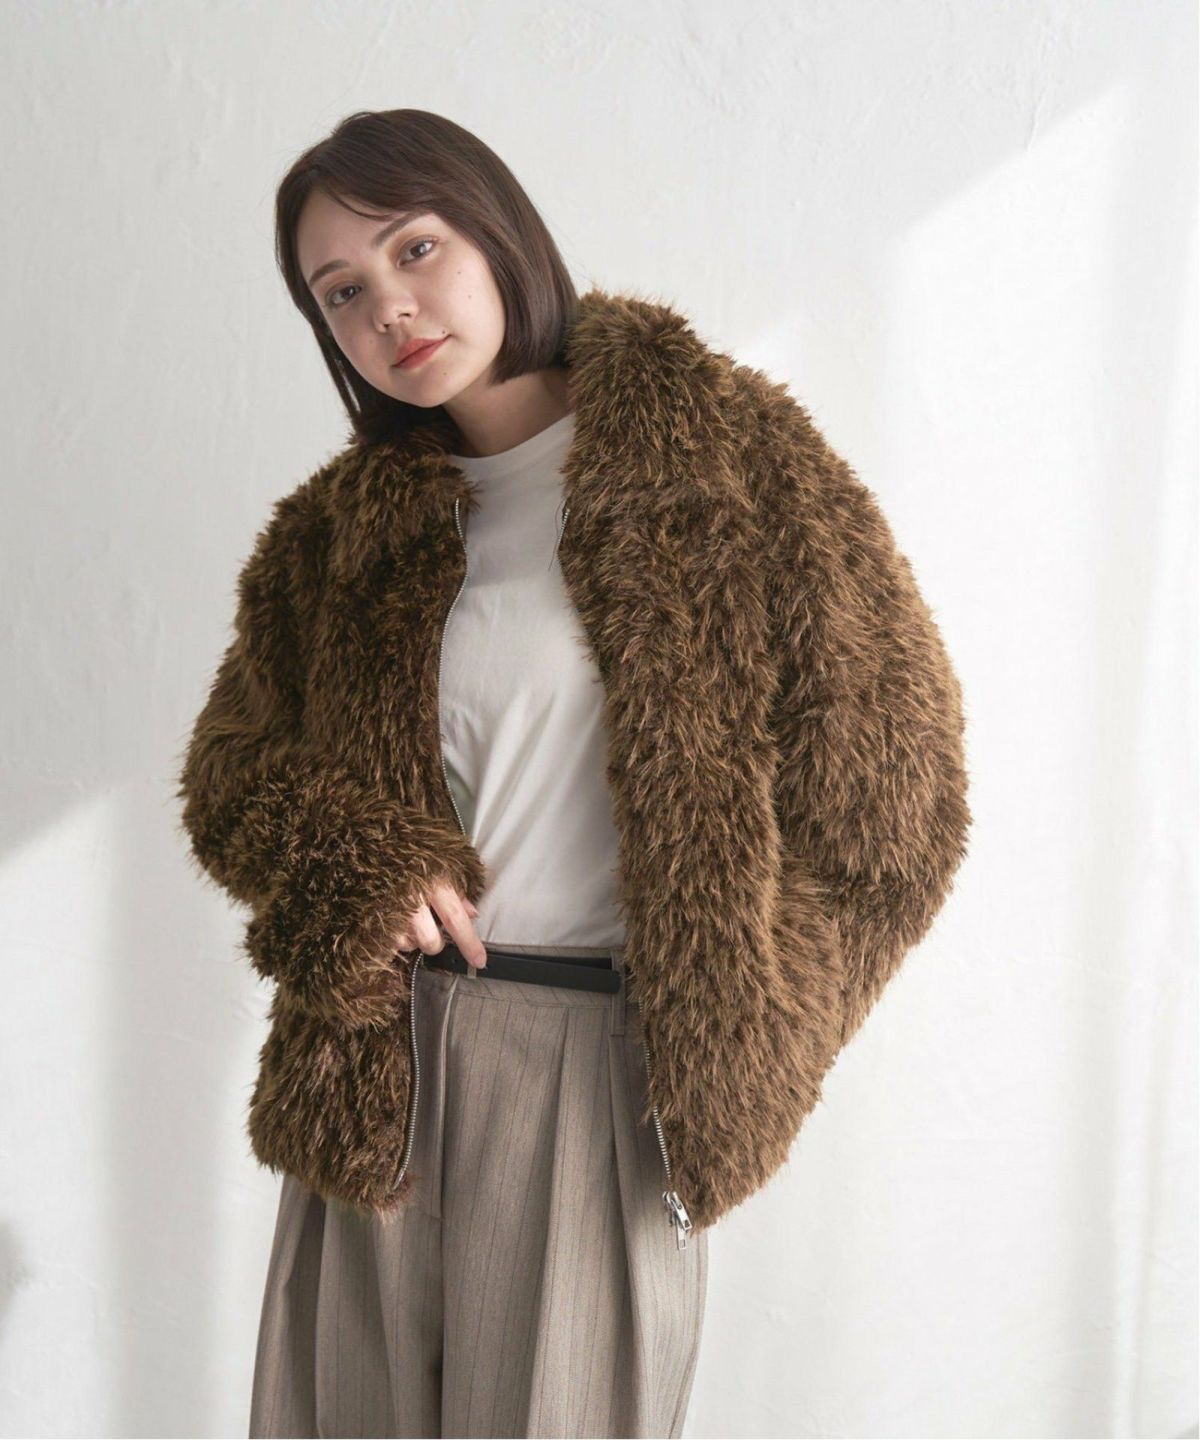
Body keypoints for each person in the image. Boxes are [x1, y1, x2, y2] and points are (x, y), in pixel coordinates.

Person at [174, 108, 972, 1440]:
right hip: (371, 1074)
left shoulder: (725, 458)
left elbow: (901, 803)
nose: (390, 307)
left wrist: (750, 1034)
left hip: (602, 1078)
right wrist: (357, 867)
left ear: (496, 230)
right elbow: (232, 775)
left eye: (415, 248)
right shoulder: (338, 531)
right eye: (342, 291)